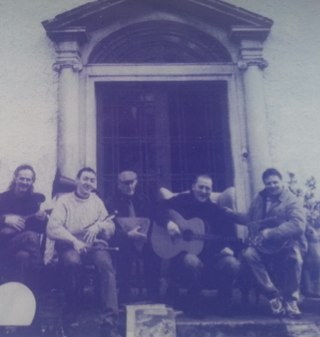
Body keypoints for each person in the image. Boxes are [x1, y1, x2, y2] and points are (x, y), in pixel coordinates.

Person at [46, 167, 120, 335]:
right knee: (72, 263)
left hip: (93, 246)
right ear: (77, 181)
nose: (88, 183)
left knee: (106, 265)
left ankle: (109, 321)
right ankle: (72, 311)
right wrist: (74, 241)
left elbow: (110, 226)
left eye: (92, 180)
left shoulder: (97, 201)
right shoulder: (64, 200)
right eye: (85, 179)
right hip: (70, 246)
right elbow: (52, 228)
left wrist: (98, 226)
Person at [157, 174, 240, 316]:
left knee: (232, 263)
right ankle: (194, 304)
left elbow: (230, 235)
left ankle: (223, 304)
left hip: (211, 259)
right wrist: (168, 223)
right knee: (191, 260)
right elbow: (156, 209)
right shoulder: (180, 201)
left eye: (208, 189)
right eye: (201, 187)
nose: (204, 191)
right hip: (181, 259)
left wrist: (230, 248)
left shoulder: (215, 210)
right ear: (193, 187)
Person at [234, 168, 307, 318]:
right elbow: (252, 220)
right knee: (249, 254)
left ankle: (291, 300)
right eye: (268, 183)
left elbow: (298, 224)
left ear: (281, 182)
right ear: (264, 184)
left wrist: (270, 233)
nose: (272, 186)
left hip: (286, 244)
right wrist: (232, 215)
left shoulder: (292, 200)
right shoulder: (259, 199)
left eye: (275, 182)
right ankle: (272, 295)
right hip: (264, 247)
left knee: (296, 258)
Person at [106, 170, 161, 304]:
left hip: (143, 239)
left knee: (154, 251)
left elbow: (153, 218)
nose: (130, 187)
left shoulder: (144, 199)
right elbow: (109, 226)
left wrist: (147, 234)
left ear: (136, 182)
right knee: (124, 253)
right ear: (118, 185)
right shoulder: (111, 202)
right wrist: (126, 235)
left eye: (132, 182)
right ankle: (124, 295)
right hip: (124, 241)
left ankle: (153, 295)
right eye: (125, 183)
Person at [0, 164, 47, 291]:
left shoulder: (32, 201)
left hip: (22, 246)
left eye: (28, 180)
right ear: (15, 178)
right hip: (3, 245)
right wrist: (5, 219)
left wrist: (42, 220)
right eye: (22, 178)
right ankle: (42, 276)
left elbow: (39, 229)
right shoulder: (2, 198)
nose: (25, 182)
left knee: (24, 256)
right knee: (30, 236)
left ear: (32, 182)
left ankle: (23, 294)